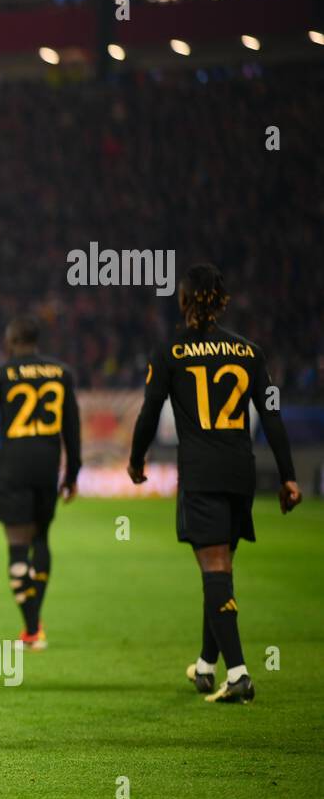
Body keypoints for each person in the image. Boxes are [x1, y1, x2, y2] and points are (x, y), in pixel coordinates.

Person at [129, 263, 301, 703]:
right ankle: (207, 665)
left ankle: (239, 673)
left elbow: (149, 412)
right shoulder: (250, 353)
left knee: (215, 571)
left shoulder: (170, 352)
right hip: (240, 473)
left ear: (184, 301)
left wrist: (136, 459)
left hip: (202, 474)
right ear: (222, 302)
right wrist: (288, 477)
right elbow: (272, 414)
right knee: (220, 568)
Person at [0, 316, 82, 650]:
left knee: (17, 546)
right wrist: (72, 473)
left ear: (10, 341)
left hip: (14, 465)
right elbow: (72, 427)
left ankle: (31, 628)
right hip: (47, 465)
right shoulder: (62, 373)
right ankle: (34, 625)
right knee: (41, 539)